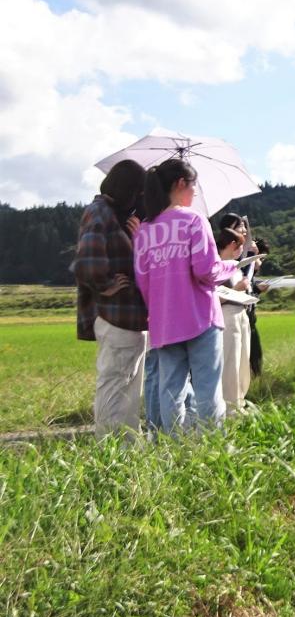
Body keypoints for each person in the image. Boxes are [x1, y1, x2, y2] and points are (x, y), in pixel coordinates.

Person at [133, 157, 243, 432]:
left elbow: (143, 281)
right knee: (208, 388)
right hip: (200, 317)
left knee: (170, 389)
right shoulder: (194, 221)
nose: (195, 193)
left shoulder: (144, 230)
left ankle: (174, 448)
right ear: (181, 184)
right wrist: (231, 265)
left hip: (164, 322)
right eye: (194, 186)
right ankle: (212, 446)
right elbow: (206, 270)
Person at [73, 158, 149, 437]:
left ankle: (127, 444)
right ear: (130, 190)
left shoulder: (111, 214)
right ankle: (109, 445)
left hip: (126, 316)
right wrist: (105, 284)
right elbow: (87, 262)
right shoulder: (100, 212)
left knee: (127, 386)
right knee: (114, 382)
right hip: (116, 314)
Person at [215, 222, 255, 414]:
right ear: (231, 245)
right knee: (230, 364)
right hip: (227, 318)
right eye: (239, 245)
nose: (241, 250)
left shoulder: (234, 267)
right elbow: (214, 299)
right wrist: (236, 289)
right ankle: (229, 408)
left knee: (241, 362)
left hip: (241, 315)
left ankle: (239, 402)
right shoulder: (217, 268)